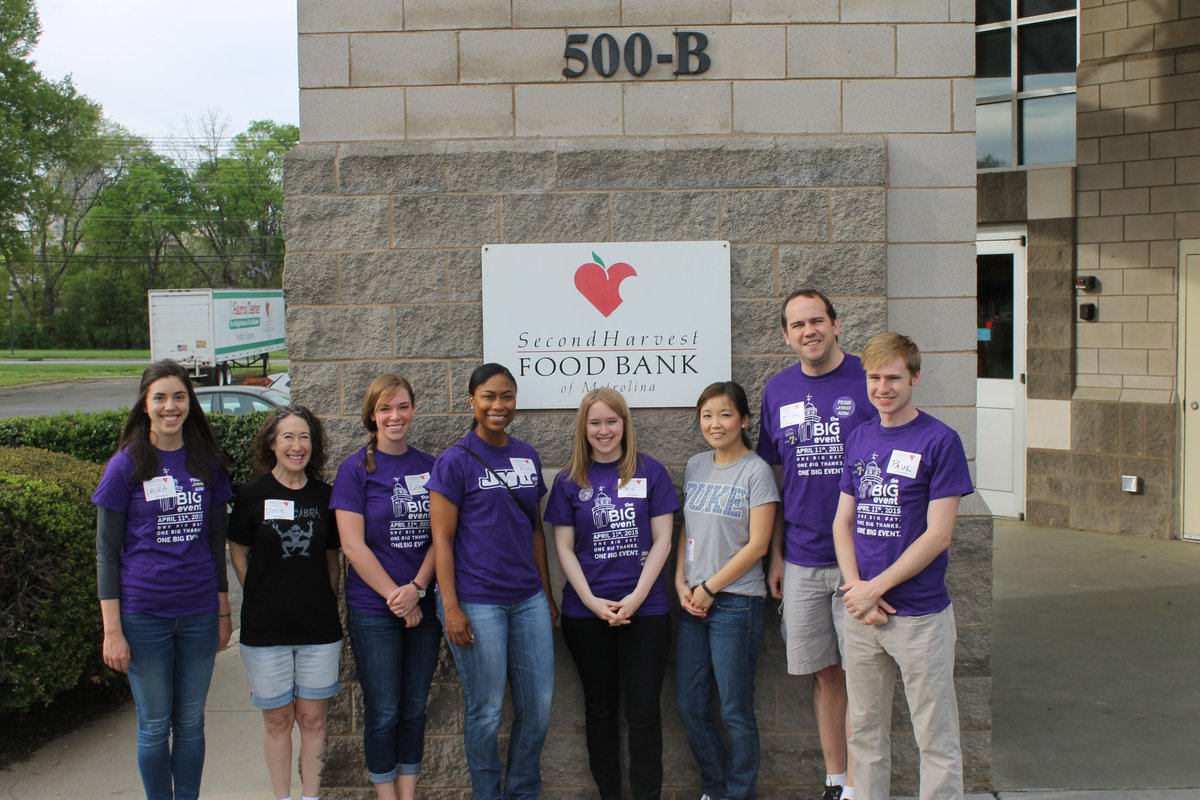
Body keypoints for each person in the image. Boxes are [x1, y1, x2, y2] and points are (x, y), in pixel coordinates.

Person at [832, 332, 974, 800]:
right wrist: (857, 591)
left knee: (935, 738)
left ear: (914, 377)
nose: (882, 387)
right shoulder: (859, 437)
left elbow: (939, 535)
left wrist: (877, 589)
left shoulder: (940, 440)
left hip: (919, 617)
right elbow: (843, 522)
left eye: (893, 377)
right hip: (861, 618)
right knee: (865, 735)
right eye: (874, 377)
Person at [93, 359, 233, 800]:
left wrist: (224, 610)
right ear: (145, 404)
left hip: (198, 614)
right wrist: (112, 630)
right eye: (160, 398)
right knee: (154, 724)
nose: (170, 406)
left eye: (178, 396)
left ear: (190, 402)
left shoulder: (207, 463)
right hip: (143, 616)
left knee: (191, 723)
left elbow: (216, 546)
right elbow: (106, 553)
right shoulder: (126, 464)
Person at [756, 289, 876, 800]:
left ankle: (864, 783)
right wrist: (777, 555)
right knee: (826, 675)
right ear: (786, 335)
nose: (809, 331)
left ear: (836, 324)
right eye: (798, 325)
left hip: (861, 563)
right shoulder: (777, 391)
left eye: (817, 321)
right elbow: (777, 483)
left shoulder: (868, 383)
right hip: (802, 561)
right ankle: (836, 781)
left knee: (866, 677)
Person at [428, 363, 557, 800]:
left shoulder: (527, 455)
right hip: (477, 602)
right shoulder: (455, 460)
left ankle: (522, 790)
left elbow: (535, 531)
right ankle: (487, 793)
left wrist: (548, 595)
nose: (498, 405)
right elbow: (442, 540)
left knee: (537, 708)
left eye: (506, 396)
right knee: (485, 710)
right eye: (488, 396)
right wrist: (450, 607)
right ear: (472, 402)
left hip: (528, 600)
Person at [545, 388, 678, 800]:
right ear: (584, 429)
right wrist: (591, 602)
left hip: (647, 611)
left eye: (612, 421)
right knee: (600, 710)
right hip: (587, 616)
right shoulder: (570, 482)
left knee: (643, 712)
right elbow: (564, 548)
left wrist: (636, 598)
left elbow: (663, 541)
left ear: (625, 424)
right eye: (596, 422)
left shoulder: (650, 472)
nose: (604, 431)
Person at [331, 374, 440, 800]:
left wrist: (416, 588)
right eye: (385, 409)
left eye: (402, 407)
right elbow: (351, 545)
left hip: (423, 605)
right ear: (372, 415)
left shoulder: (432, 466)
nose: (394, 416)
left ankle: (408, 795)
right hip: (374, 610)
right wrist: (397, 598)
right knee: (384, 710)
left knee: (414, 708)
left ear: (413, 410)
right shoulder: (355, 469)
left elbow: (441, 537)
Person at [229, 405, 342, 800]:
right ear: (272, 443)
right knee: (278, 719)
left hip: (318, 629)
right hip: (266, 629)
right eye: (289, 437)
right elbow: (238, 549)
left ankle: (311, 796)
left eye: (305, 437)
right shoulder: (251, 495)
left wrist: (321, 595)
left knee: (313, 719)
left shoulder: (325, 497)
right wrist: (258, 587)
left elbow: (332, 560)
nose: (297, 446)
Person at [676, 381, 779, 800]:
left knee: (735, 710)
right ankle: (715, 788)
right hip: (692, 603)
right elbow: (688, 528)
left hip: (737, 603)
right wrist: (682, 583)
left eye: (724, 414)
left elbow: (758, 545)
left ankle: (739, 794)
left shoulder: (757, 472)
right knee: (689, 704)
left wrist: (710, 587)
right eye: (707, 415)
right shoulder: (696, 465)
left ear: (743, 420)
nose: (715, 424)